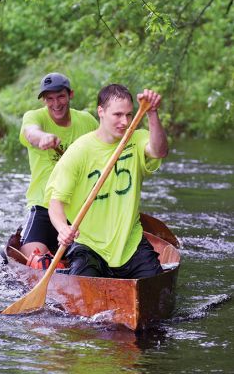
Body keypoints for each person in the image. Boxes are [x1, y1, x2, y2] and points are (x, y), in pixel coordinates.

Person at [44, 84, 168, 279]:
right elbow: (56, 202)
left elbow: (159, 151)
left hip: (131, 244)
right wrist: (62, 228)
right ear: (100, 111)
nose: (125, 122)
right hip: (89, 247)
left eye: (129, 115)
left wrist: (152, 113)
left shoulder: (136, 139)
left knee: (157, 294)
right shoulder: (79, 151)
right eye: (117, 115)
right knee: (83, 299)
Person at [19, 72, 98, 259]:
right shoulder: (34, 117)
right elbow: (31, 132)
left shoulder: (87, 121)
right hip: (43, 204)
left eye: (61, 96)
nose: (56, 104)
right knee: (36, 258)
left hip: (81, 206)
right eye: (50, 99)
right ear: (44, 101)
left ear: (70, 94)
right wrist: (42, 137)